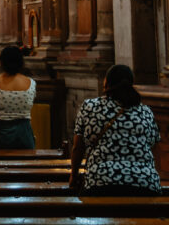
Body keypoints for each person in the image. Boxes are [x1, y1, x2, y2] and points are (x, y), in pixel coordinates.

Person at [69, 64, 162, 196]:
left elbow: (78, 147)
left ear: (106, 83)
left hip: (100, 182)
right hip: (144, 183)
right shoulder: (145, 111)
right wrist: (153, 175)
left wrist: (73, 175)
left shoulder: (89, 107)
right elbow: (155, 148)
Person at [0, 45, 36, 149]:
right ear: (21, 62)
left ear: (1, 62)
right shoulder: (31, 83)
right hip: (24, 134)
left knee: (0, 163)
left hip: (0, 135)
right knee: (26, 163)